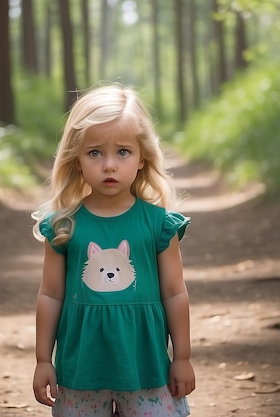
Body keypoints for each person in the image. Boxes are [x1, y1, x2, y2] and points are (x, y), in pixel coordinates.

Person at [31, 84, 195, 417]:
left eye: (122, 152)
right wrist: (42, 360)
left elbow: (175, 293)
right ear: (76, 160)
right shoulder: (64, 227)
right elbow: (50, 295)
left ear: (141, 158)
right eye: (95, 153)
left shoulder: (159, 224)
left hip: (146, 364)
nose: (109, 165)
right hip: (81, 368)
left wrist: (182, 357)